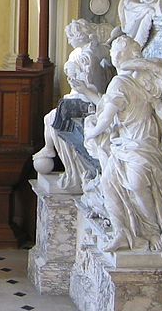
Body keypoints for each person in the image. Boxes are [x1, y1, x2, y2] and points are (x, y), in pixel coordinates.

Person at [83, 36, 162, 261]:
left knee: (137, 185)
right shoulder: (124, 83)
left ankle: (153, 232)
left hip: (142, 146)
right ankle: (122, 232)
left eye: (113, 52)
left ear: (120, 55)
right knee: (109, 183)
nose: (111, 55)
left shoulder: (128, 84)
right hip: (124, 145)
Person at [33, 20, 112, 191]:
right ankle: (50, 150)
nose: (68, 40)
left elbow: (90, 85)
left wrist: (77, 75)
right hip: (82, 97)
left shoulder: (88, 55)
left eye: (71, 36)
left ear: (80, 36)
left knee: (52, 118)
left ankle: (72, 168)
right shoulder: (83, 51)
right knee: (49, 118)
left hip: (88, 102)